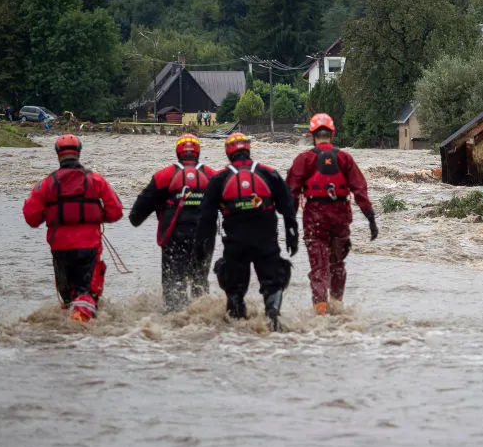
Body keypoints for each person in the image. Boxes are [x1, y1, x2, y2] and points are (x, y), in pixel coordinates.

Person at [195, 132, 297, 331]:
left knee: (234, 289)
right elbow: (288, 207)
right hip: (266, 242)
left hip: (236, 245)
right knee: (274, 284)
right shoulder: (269, 173)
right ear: (248, 150)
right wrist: (292, 234)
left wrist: (201, 247)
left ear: (228, 152)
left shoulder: (219, 179)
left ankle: (237, 332)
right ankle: (273, 320)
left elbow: (205, 218)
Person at [22, 134, 123, 322]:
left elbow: (31, 217)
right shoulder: (96, 180)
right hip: (89, 247)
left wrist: (52, 214)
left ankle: (69, 330)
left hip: (60, 249)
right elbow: (116, 211)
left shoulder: (45, 184)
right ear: (78, 153)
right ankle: (83, 328)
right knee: (86, 294)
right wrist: (95, 216)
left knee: (68, 298)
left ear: (58, 155)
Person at [286, 113, 377, 315]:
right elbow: (360, 189)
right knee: (337, 265)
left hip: (314, 217)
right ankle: (337, 309)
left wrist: (289, 225)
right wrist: (371, 218)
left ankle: (320, 316)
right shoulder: (345, 158)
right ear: (332, 134)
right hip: (340, 217)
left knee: (319, 267)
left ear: (312, 135)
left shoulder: (304, 159)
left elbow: (290, 193)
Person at [129, 134, 218, 312]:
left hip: (174, 238)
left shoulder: (164, 176)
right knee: (199, 280)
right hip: (204, 239)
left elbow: (136, 216)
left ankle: (175, 319)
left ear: (178, 153)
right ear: (198, 152)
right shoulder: (213, 176)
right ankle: (203, 318)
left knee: (173, 283)